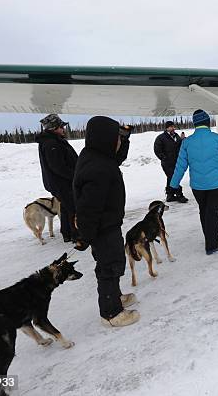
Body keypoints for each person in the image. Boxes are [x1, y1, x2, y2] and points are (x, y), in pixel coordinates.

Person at [73, 116, 139, 327]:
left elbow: (117, 157)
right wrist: (85, 236)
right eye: (116, 138)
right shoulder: (98, 167)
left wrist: (126, 137)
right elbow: (88, 208)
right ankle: (111, 313)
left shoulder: (97, 156)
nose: (118, 142)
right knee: (109, 267)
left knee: (113, 263)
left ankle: (115, 296)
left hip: (108, 224)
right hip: (102, 227)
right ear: (105, 139)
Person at [170, 109, 218, 255]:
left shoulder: (187, 142)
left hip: (198, 187)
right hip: (217, 184)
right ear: (208, 122)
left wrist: (174, 184)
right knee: (213, 213)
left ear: (195, 124)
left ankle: (212, 235)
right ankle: (211, 245)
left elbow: (180, 165)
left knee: (204, 211)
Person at [36, 114, 79, 242]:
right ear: (54, 128)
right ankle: (77, 236)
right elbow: (58, 167)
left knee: (66, 208)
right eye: (61, 127)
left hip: (61, 182)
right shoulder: (51, 143)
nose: (63, 129)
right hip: (62, 183)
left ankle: (67, 234)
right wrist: (75, 175)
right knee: (73, 208)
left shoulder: (54, 140)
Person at [153, 121, 188, 203]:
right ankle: (179, 195)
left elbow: (180, 146)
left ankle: (170, 195)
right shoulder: (161, 138)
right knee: (173, 177)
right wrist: (164, 158)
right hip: (167, 163)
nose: (173, 128)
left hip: (176, 162)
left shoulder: (176, 136)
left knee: (170, 178)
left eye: (173, 126)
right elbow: (157, 150)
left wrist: (183, 140)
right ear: (167, 128)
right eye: (171, 127)